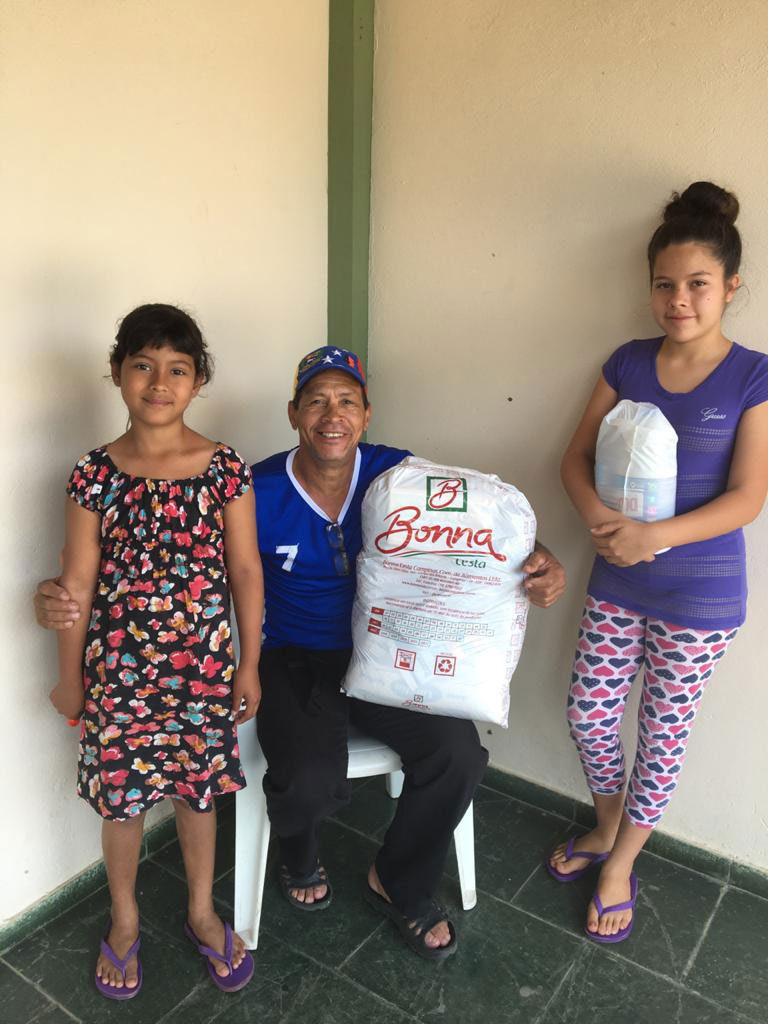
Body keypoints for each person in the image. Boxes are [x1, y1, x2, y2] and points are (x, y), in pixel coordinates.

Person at [37, 344, 567, 961]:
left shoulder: (399, 475)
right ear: (294, 414)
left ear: (367, 415)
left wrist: (539, 559)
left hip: (388, 653)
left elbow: (485, 518)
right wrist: (59, 597)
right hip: (293, 658)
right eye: (316, 401)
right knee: (306, 777)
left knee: (458, 756)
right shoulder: (255, 486)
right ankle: (298, 851)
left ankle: (399, 877)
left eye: (346, 401)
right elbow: (176, 561)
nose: (331, 415)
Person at [549, 182, 768, 943]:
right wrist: (603, 522)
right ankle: (609, 826)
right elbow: (573, 458)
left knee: (663, 733)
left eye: (698, 285)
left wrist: (660, 535)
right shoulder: (627, 362)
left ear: (731, 288)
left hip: (700, 597)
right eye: (665, 285)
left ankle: (620, 864)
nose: (679, 300)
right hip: (619, 575)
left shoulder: (752, 375)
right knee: (588, 714)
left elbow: (748, 498)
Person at [47, 304, 263, 998]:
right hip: (118, 677)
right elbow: (76, 582)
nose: (159, 382)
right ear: (117, 373)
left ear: (199, 381)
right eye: (143, 365)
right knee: (123, 804)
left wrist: (249, 664)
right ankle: (124, 919)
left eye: (177, 369)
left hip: (203, 673)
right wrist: (69, 682)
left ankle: (201, 912)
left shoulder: (223, 467)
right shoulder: (93, 474)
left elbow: (246, 572)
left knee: (199, 800)